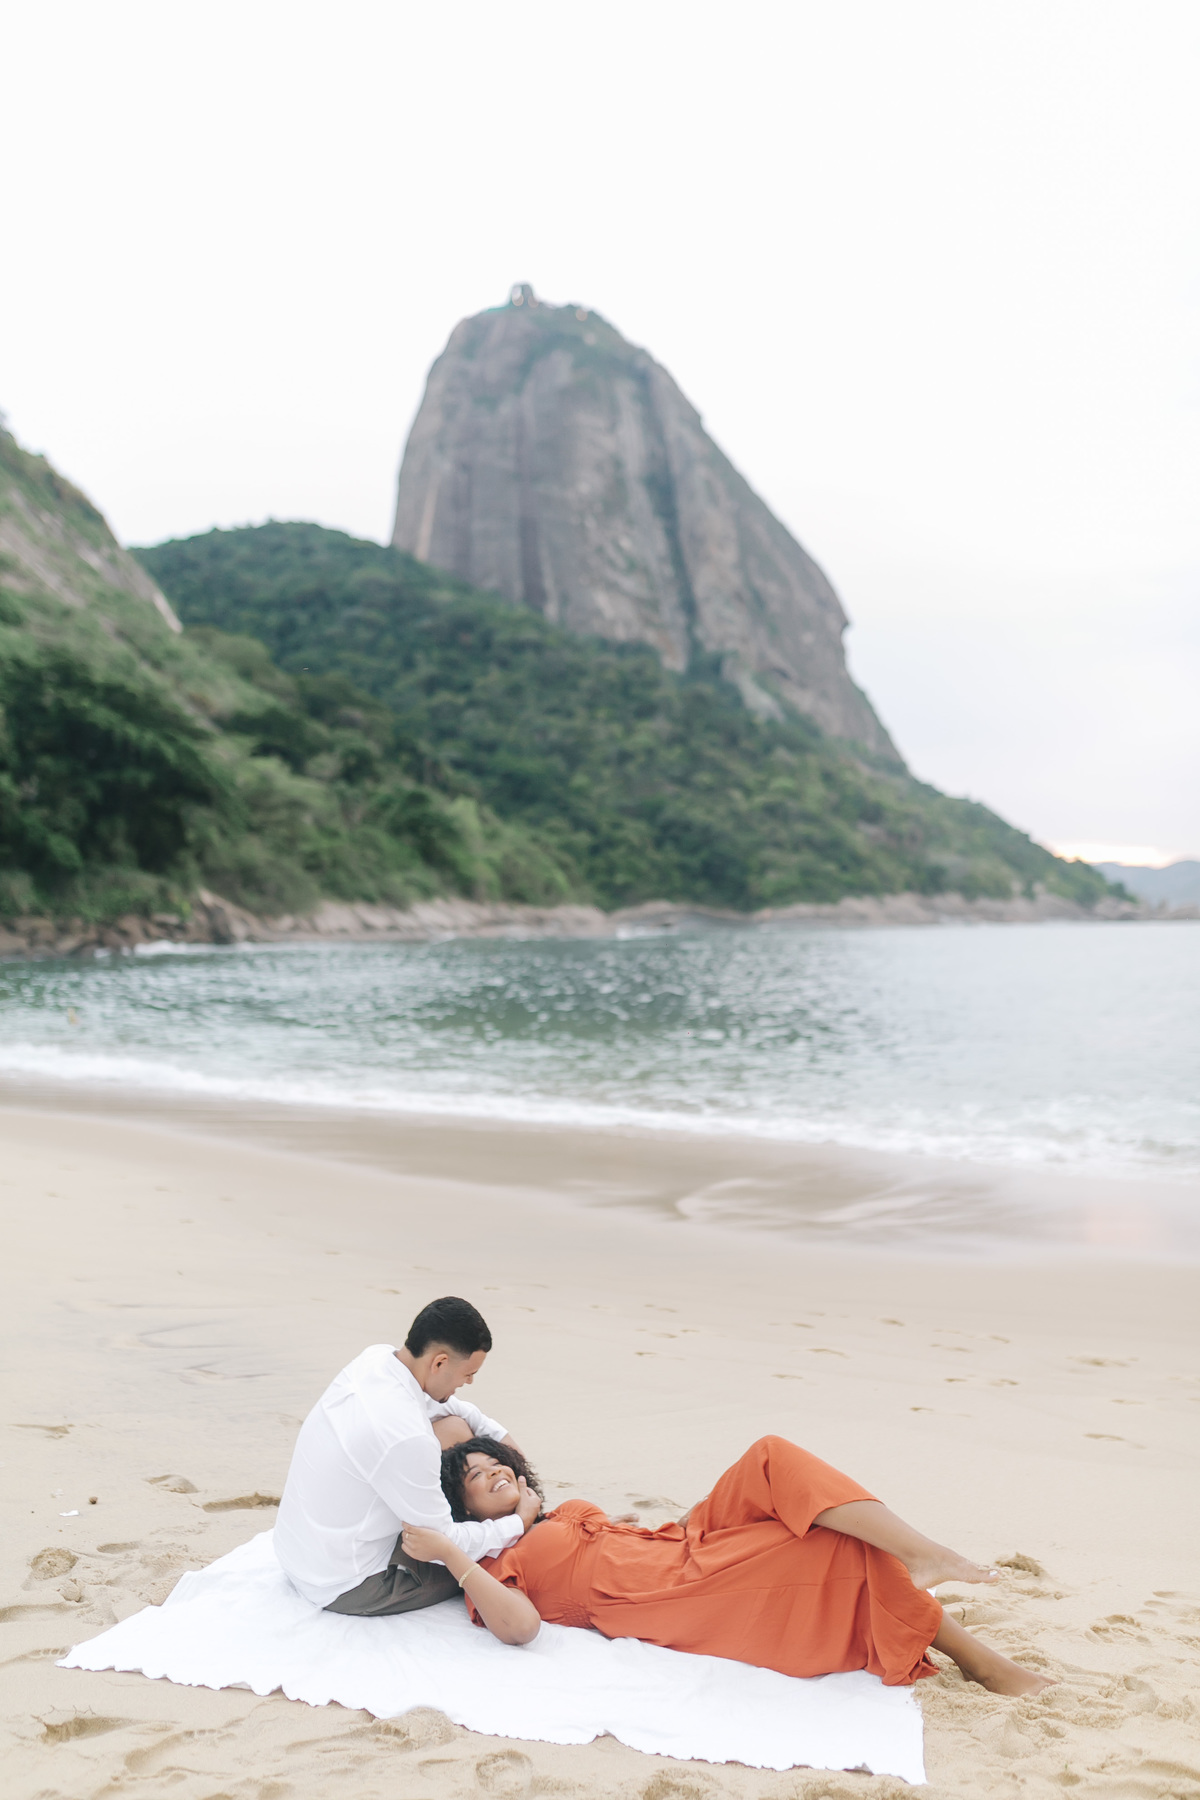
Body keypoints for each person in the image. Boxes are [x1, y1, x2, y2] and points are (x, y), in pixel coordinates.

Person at [398, 1433, 1053, 1698]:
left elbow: (609, 1532)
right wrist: (457, 1551)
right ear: (464, 1511)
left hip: (681, 1541)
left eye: (497, 1464)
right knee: (834, 1547)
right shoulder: (495, 1563)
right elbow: (519, 1628)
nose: (494, 1472)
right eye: (477, 1477)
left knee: (770, 1458)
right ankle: (982, 1662)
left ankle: (923, 1553)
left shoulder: (548, 1516)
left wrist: (528, 1509)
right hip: (670, 1590)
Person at [274, 1298, 539, 1616]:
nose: (468, 1382)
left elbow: (455, 1409)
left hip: (298, 1550)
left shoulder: (377, 1359)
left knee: (454, 1426)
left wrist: (509, 1451)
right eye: (468, 1373)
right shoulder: (406, 1437)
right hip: (346, 1582)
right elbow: (447, 1543)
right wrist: (517, 1522)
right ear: (440, 1363)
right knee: (489, 1559)